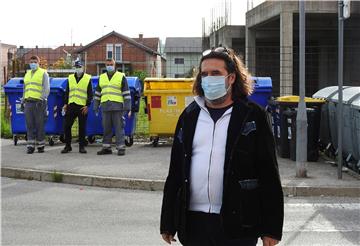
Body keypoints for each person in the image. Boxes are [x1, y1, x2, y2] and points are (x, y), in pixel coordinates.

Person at [160, 47, 284, 246]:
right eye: (205, 74)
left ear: (232, 77)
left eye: (216, 73)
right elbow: (175, 170)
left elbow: (269, 173)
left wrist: (271, 228)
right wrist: (167, 221)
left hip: (239, 223)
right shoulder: (189, 116)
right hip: (194, 224)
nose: (209, 79)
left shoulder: (252, 116)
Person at [94, 58, 131, 156]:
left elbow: (126, 93)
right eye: (108, 64)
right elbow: (98, 93)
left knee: (119, 128)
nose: (109, 66)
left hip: (117, 107)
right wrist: (96, 105)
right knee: (106, 128)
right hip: (105, 106)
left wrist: (127, 107)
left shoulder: (121, 76)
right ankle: (106, 148)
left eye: (111, 64)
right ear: (105, 66)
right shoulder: (101, 77)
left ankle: (121, 148)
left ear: (115, 65)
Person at [61, 60, 93, 154]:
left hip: (82, 107)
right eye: (76, 67)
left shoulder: (87, 78)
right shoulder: (70, 78)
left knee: (82, 127)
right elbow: (67, 92)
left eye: (79, 67)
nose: (78, 69)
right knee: (67, 126)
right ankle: (68, 146)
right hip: (71, 105)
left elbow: (90, 94)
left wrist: (87, 105)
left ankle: (82, 147)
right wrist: (66, 103)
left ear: (83, 68)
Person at [21, 55, 50, 154]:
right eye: (31, 62)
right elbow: (25, 88)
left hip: (39, 103)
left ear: (38, 62)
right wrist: (23, 100)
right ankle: (30, 146)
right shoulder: (27, 74)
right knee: (29, 125)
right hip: (28, 102)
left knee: (39, 125)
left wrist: (42, 99)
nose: (33, 63)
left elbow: (46, 88)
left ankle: (41, 145)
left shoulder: (43, 73)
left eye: (35, 62)